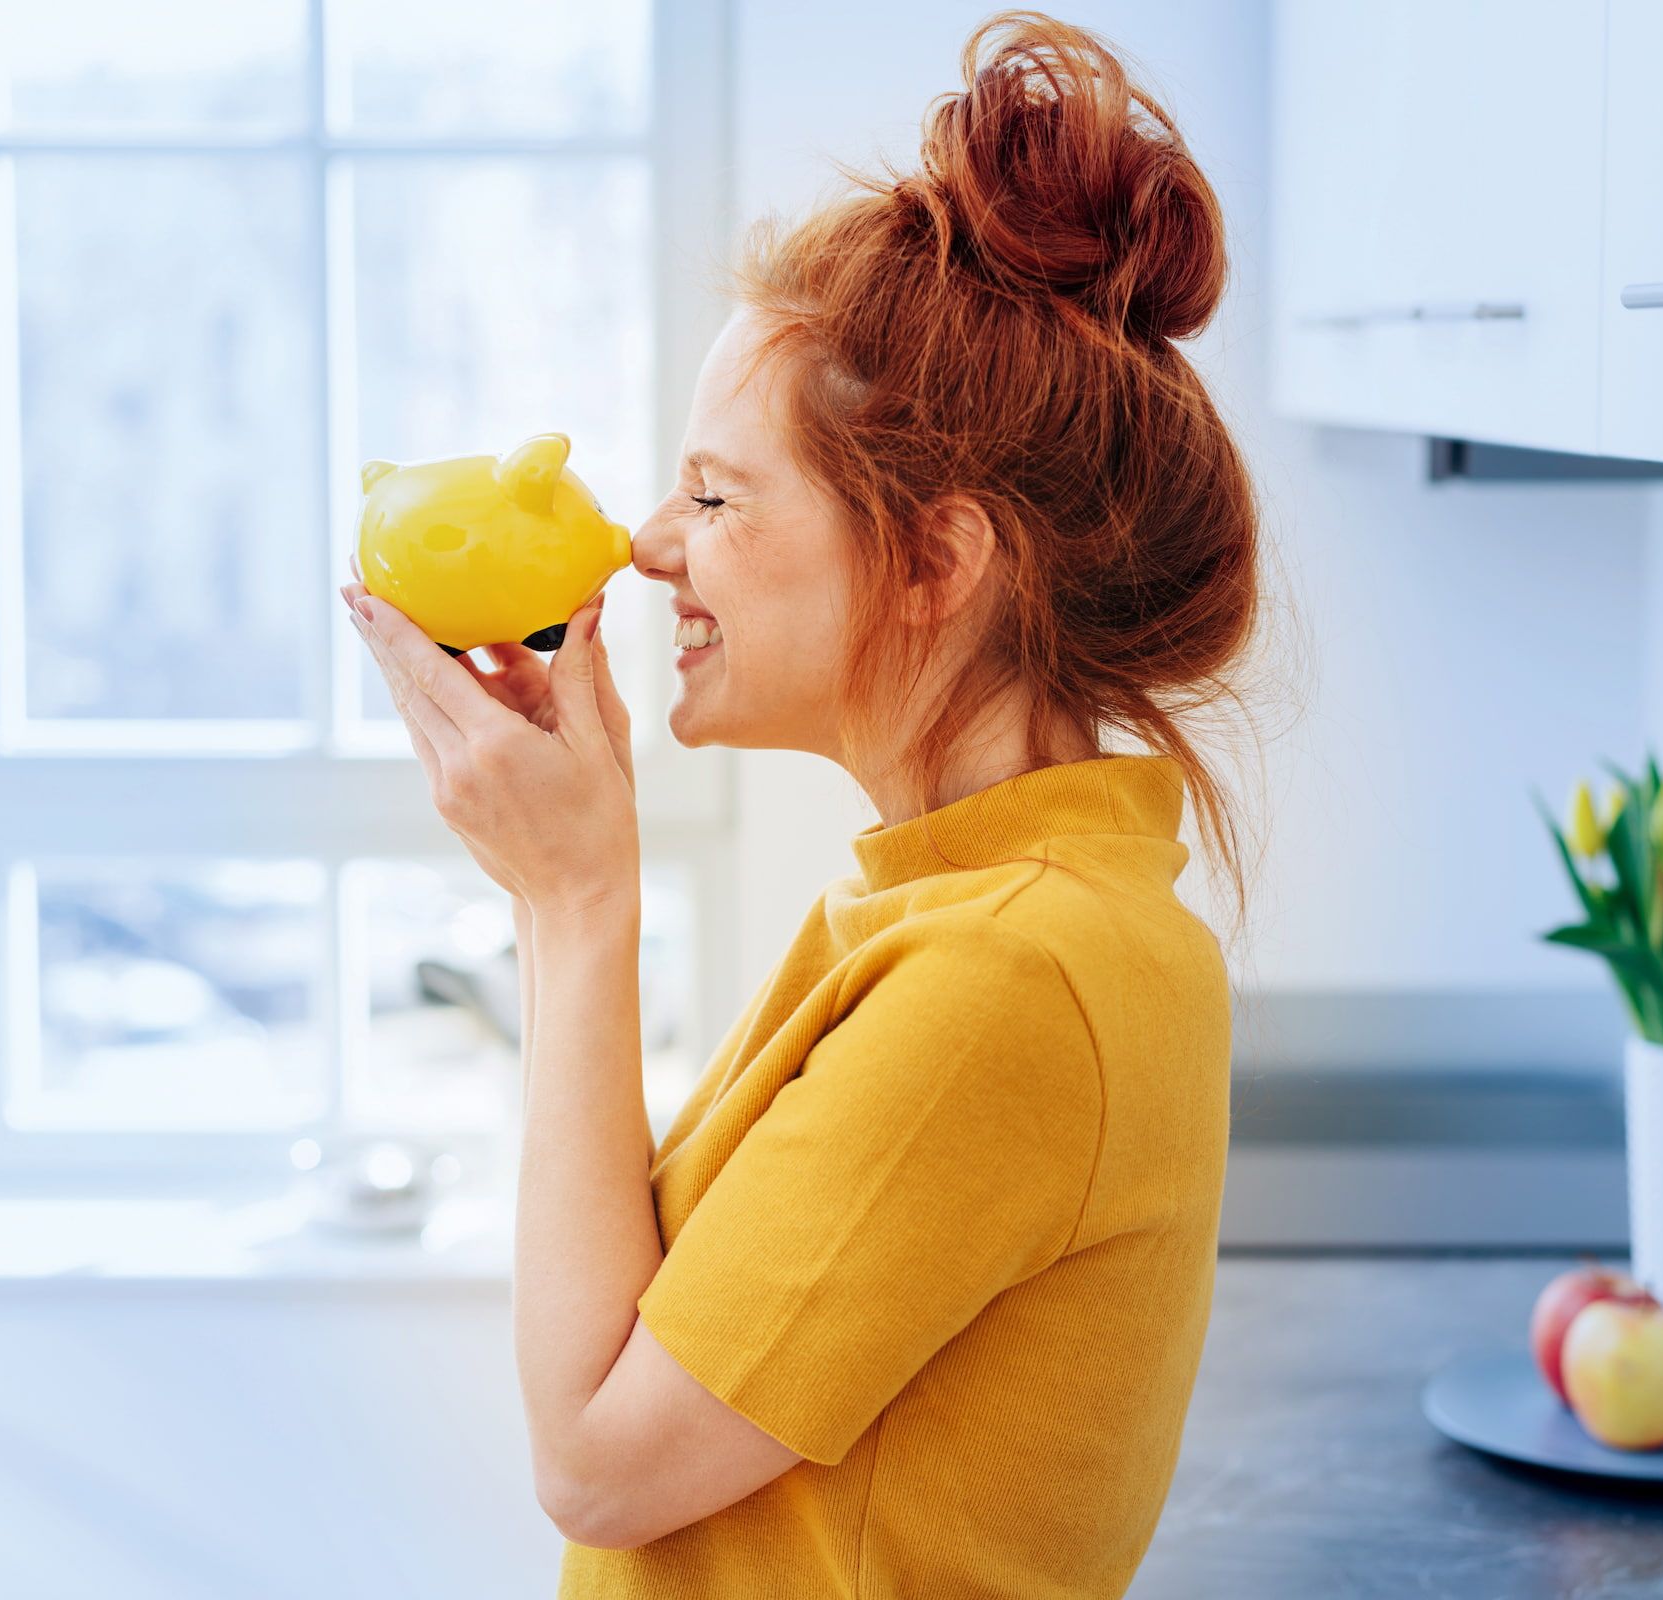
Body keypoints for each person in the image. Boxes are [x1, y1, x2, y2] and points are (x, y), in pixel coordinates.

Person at [345, 9, 1264, 1595]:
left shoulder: (1011, 979)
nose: (646, 542)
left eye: (715, 494)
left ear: (934, 561)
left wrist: (574, 900)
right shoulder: (964, 912)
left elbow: (596, 1465)